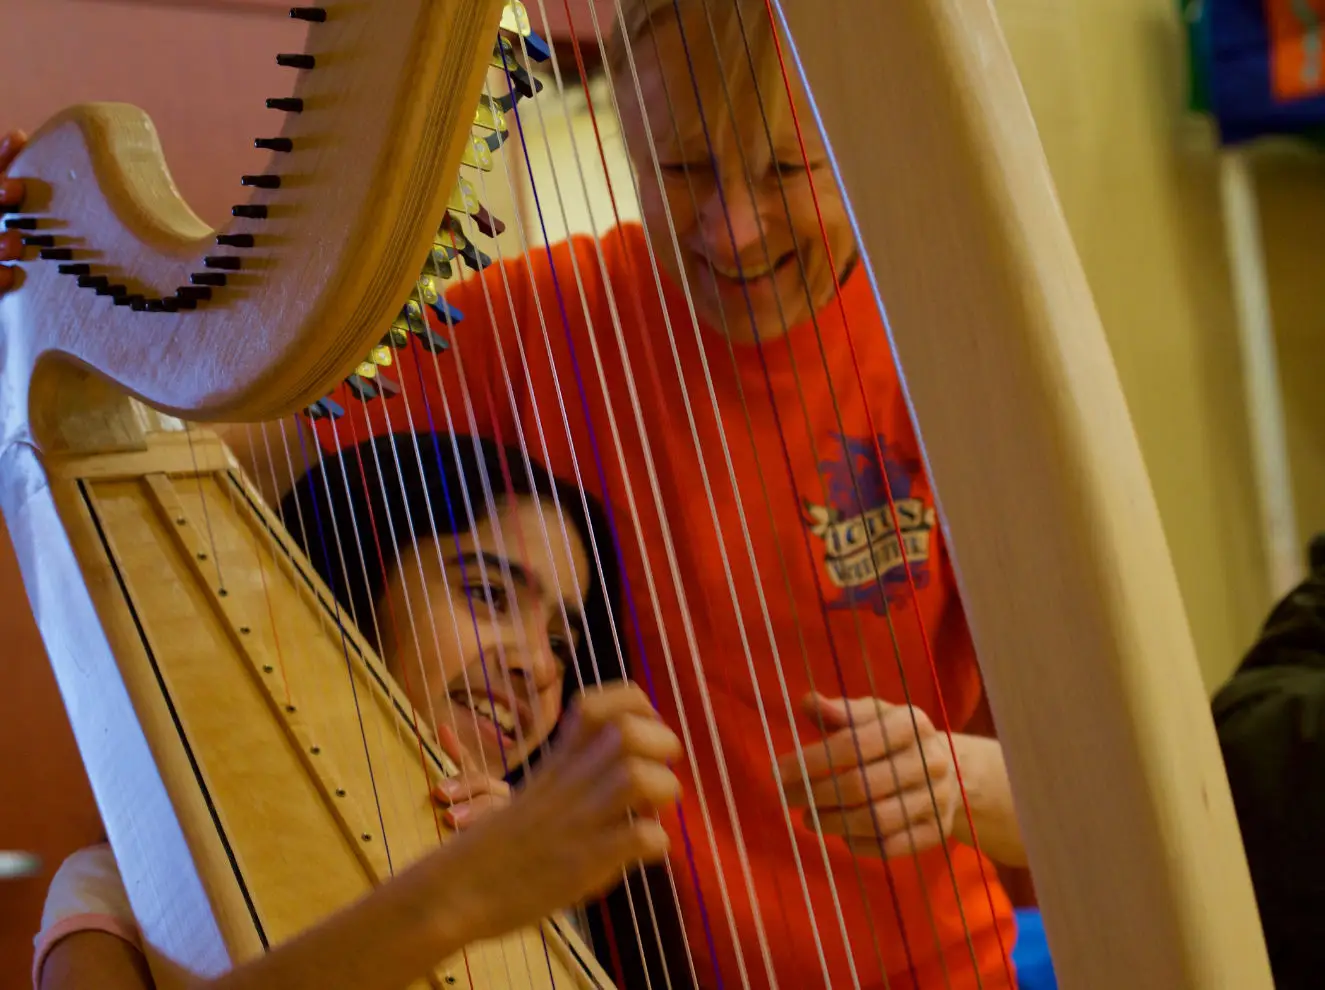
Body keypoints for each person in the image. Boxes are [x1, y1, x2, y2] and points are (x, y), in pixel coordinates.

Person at [3, 0, 1036, 978]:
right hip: (627, 965)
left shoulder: (961, 360)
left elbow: (1115, 805)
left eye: (786, 171)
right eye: (679, 167)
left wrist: (959, 782)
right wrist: (50, 300)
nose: (730, 227)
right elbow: (178, 463)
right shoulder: (540, 320)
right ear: (619, 126)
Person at [26, 429, 683, 990]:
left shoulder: (570, 905)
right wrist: (463, 894)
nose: (537, 667)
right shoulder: (127, 886)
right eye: (487, 595)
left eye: (562, 643)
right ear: (348, 586)